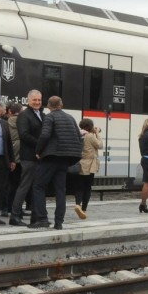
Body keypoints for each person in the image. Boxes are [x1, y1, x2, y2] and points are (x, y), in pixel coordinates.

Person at [29, 96, 82, 230]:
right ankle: (59, 222)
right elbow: (78, 135)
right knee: (60, 190)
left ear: (48, 106)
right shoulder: (70, 117)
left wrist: (38, 151)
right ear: (61, 105)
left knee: (38, 186)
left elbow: (45, 135)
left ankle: (42, 218)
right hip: (65, 159)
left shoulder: (49, 117)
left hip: (51, 156)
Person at [10, 90, 43, 226]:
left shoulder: (41, 114)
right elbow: (23, 135)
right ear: (28, 101)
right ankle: (15, 216)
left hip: (39, 157)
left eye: (39, 100)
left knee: (36, 187)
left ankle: (35, 216)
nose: (37, 102)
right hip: (29, 156)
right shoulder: (24, 115)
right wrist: (40, 145)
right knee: (24, 186)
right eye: (34, 100)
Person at [76, 118, 103, 219]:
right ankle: (83, 209)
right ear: (90, 126)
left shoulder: (78, 134)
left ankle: (77, 204)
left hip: (80, 163)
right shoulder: (90, 136)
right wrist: (97, 133)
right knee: (87, 187)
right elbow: (100, 145)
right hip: (90, 165)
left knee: (79, 187)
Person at [2, 101, 23, 217]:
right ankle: (15, 207)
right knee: (17, 184)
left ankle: (5, 208)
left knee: (6, 184)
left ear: (10, 112)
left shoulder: (4, 123)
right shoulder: (23, 122)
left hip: (9, 157)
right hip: (20, 157)